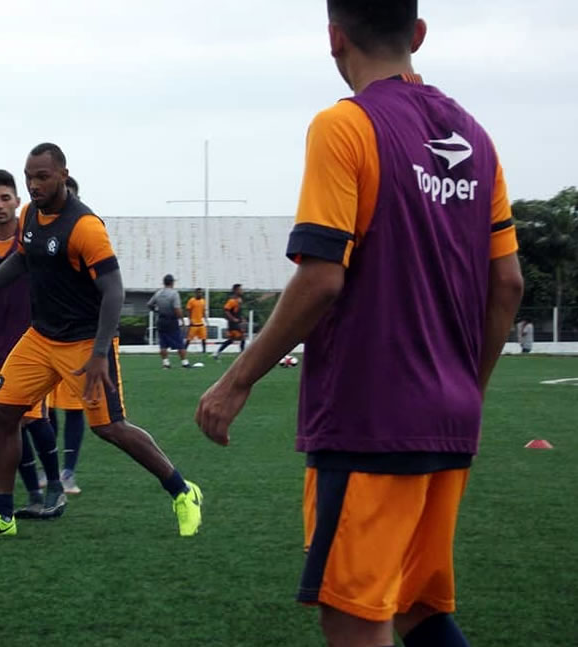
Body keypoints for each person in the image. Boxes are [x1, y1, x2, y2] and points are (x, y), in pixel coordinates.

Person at [195, 2, 523, 646]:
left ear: (334, 37)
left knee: (354, 615)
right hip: (450, 417)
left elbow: (321, 278)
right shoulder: (478, 140)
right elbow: (507, 283)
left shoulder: (345, 125)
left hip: (372, 418)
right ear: (418, 34)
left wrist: (236, 380)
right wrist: (468, 388)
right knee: (417, 608)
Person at [0, 142, 202, 539]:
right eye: (29, 177)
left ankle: (183, 491)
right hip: (40, 337)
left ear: (63, 176)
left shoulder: (85, 227)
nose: (34, 185)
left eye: (42, 176)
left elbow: (114, 290)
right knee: (4, 414)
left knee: (111, 428)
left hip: (85, 343)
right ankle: (2, 516)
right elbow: (22, 259)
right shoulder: (29, 214)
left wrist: (100, 353)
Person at [0, 169, 65, 519]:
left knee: (31, 419)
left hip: (36, 345)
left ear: (17, 201)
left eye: (5, 198)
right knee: (9, 420)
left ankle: (54, 489)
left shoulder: (32, 236)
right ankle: (35, 494)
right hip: (0, 349)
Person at [46, 174, 88, 495]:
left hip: (77, 337)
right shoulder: (41, 237)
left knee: (75, 407)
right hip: (45, 336)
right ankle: (50, 471)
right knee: (44, 407)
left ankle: (68, 472)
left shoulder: (87, 235)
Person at [147, 274, 191, 369]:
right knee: (179, 342)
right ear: (172, 283)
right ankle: (184, 362)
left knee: (163, 343)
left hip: (161, 320)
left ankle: (166, 363)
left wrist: (157, 310)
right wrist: (182, 320)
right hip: (171, 320)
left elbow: (149, 304)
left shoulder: (158, 293)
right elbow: (177, 309)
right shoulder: (174, 294)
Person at [212, 284, 245, 359]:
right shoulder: (231, 301)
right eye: (240, 289)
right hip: (233, 324)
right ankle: (242, 355)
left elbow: (237, 312)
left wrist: (241, 318)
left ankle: (217, 353)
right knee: (242, 337)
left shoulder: (239, 300)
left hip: (236, 322)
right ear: (235, 291)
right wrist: (233, 319)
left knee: (231, 340)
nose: (241, 291)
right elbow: (226, 310)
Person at [185, 288, 209, 354]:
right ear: (195, 293)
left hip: (201, 323)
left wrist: (206, 320)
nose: (199, 294)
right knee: (189, 338)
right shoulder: (191, 301)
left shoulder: (203, 301)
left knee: (204, 337)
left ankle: (204, 351)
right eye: (198, 292)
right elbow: (188, 311)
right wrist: (190, 320)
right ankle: (184, 350)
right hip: (194, 323)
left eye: (200, 293)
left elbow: (203, 311)